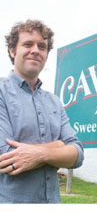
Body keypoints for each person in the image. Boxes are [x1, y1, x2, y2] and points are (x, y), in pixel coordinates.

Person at [0, 19, 84, 203]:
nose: (36, 50)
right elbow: (6, 158)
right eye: (27, 44)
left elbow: (78, 154)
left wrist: (39, 154)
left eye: (42, 46)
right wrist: (58, 146)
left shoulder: (54, 101)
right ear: (12, 51)